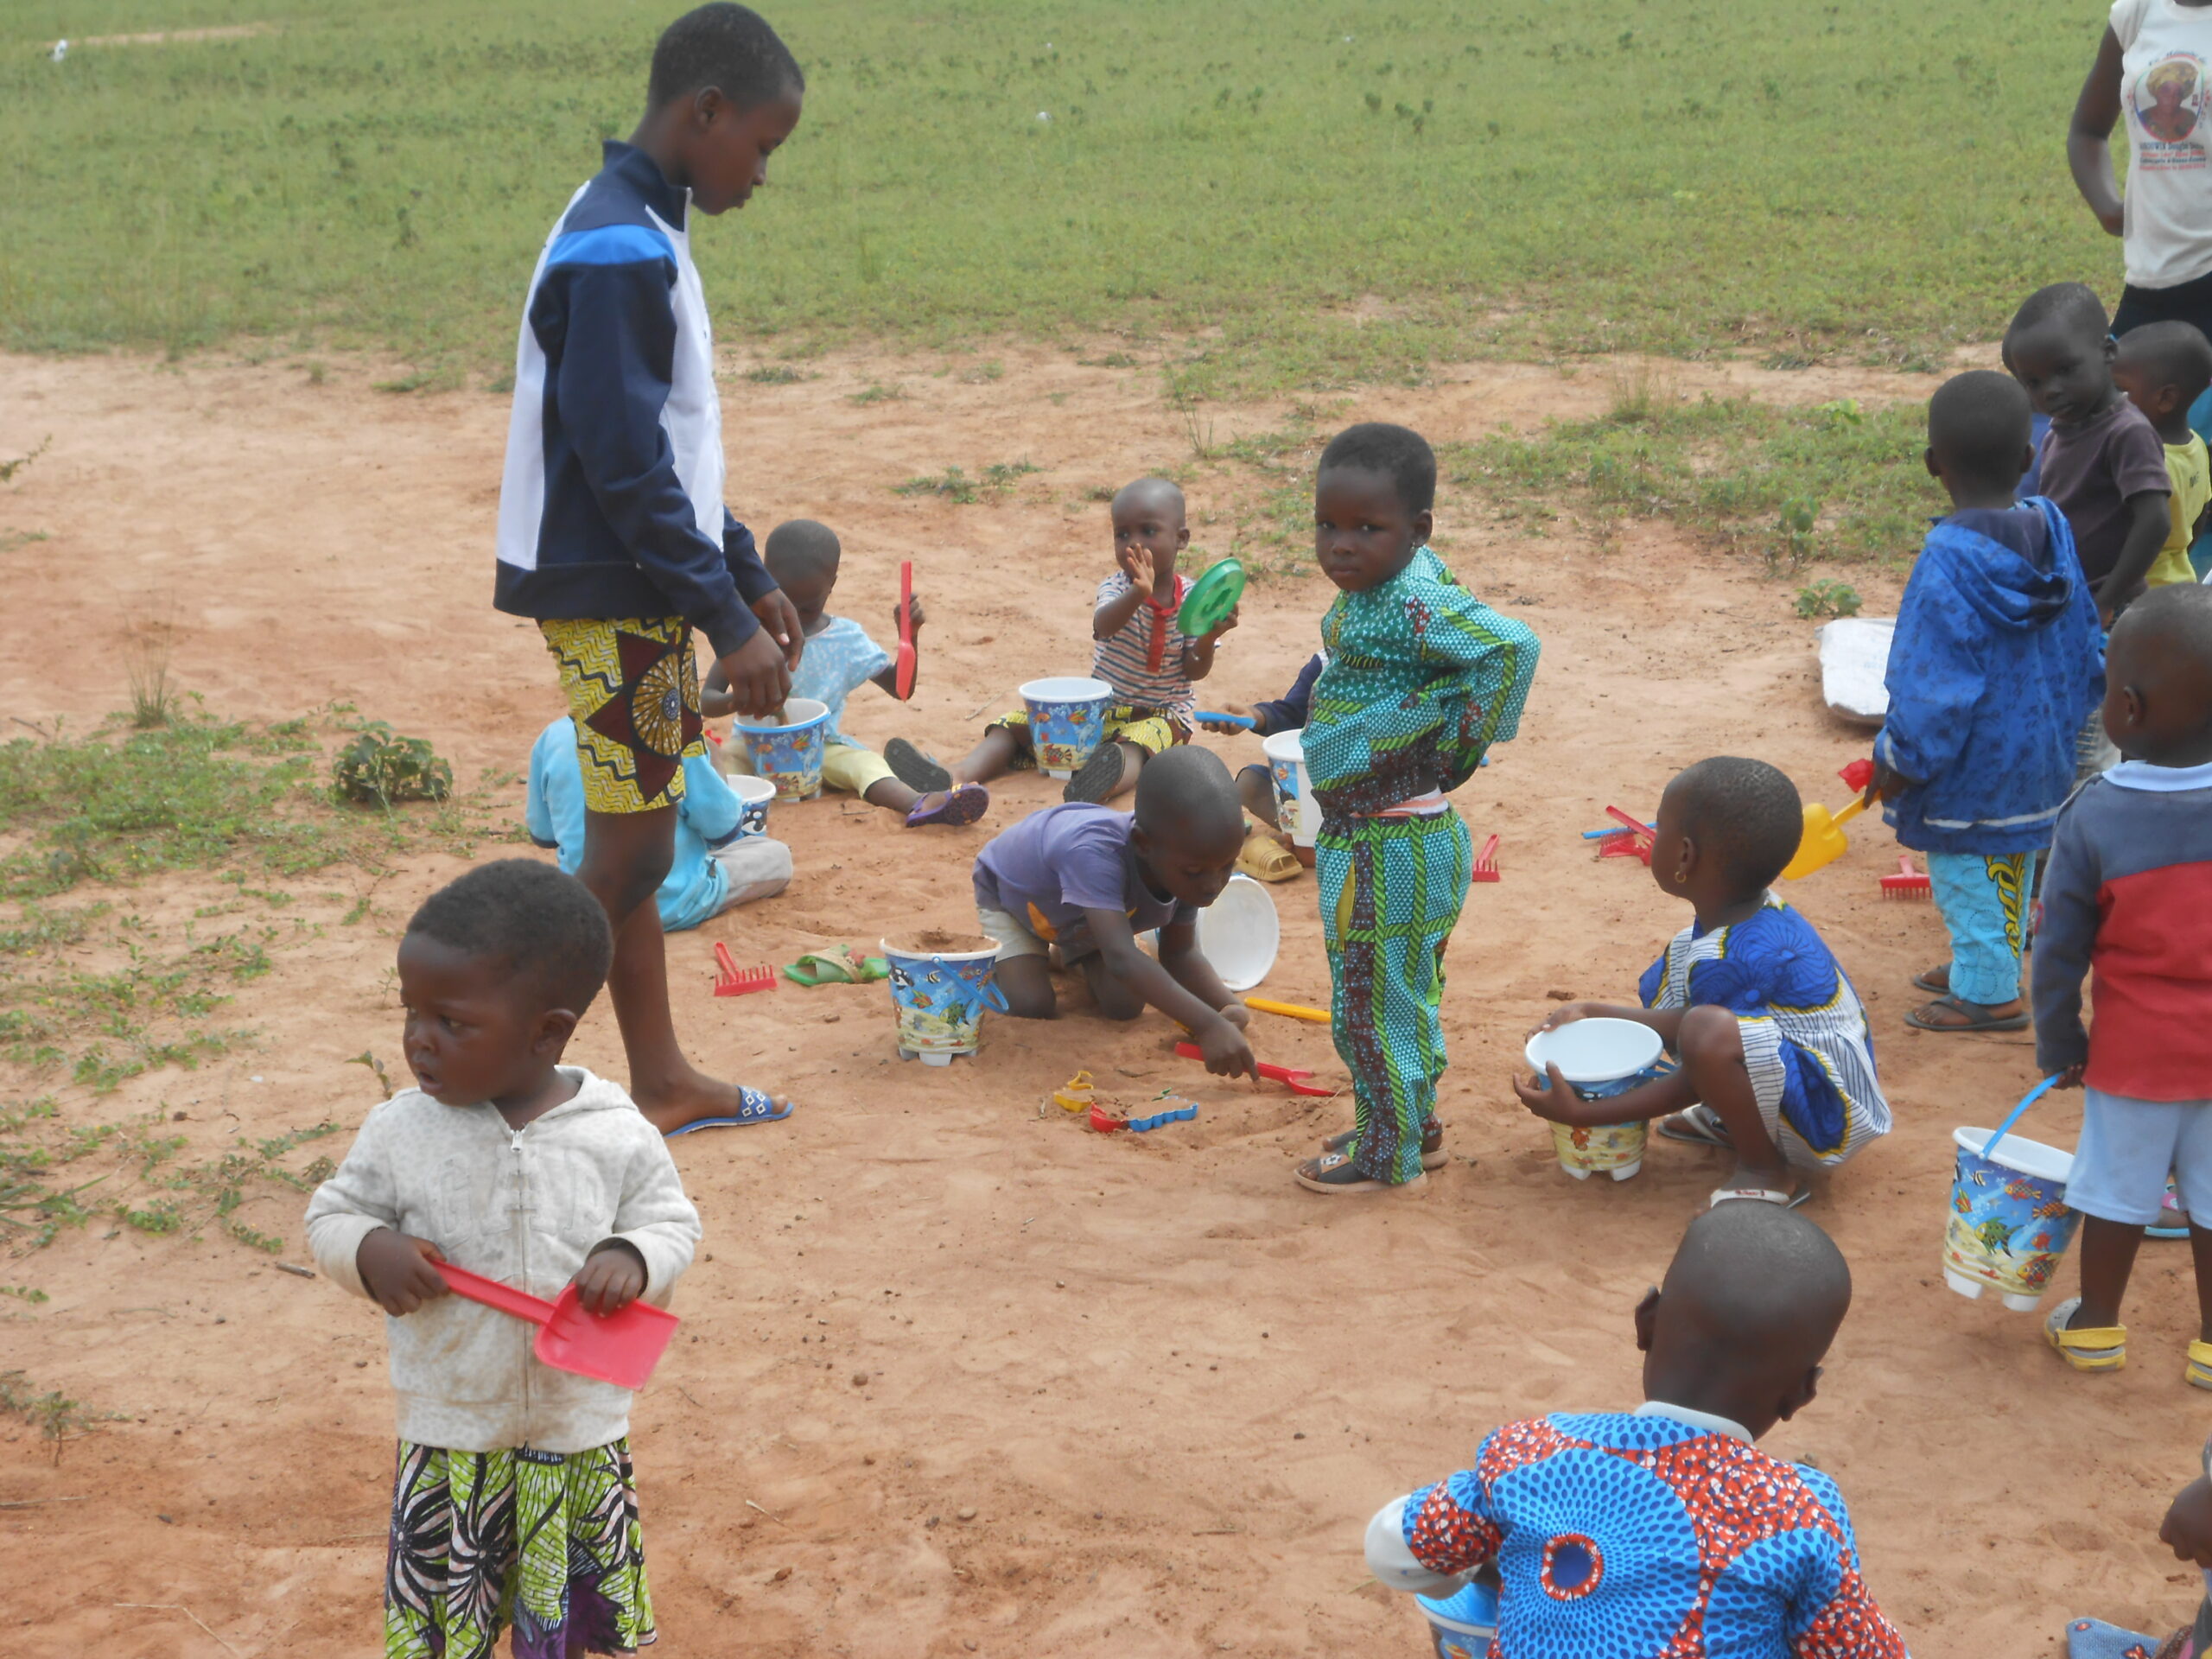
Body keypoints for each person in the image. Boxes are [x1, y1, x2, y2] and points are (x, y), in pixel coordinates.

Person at [493, 3, 804, 1133]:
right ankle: (495, 1079)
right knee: (624, 859)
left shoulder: (639, 226)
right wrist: (728, 618)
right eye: (762, 146)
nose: (764, 175)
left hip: (639, 583)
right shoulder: (619, 246)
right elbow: (623, 467)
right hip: (611, 588)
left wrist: (743, 562)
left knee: (644, 841)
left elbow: (664, 448)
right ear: (705, 111)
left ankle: (661, 1078)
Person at [304, 861, 706, 1658]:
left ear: (547, 1032)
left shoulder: (613, 1127)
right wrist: (366, 1248)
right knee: (451, 1621)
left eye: (452, 1022)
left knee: (562, 1618)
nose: (420, 1038)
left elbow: (670, 1219)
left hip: (575, 1427)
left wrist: (633, 1254)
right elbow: (332, 1214)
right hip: (452, 1428)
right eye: (411, 1012)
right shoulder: (399, 1130)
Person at [1363, 1201, 1910, 1658]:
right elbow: (1861, 1649)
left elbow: (1392, 1550)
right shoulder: (1804, 1513)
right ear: (1800, 1394)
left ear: (1646, 1322)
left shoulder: (1534, 1454)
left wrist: (1472, 1571)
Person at [1293, 423, 1540, 1195]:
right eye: (1329, 525)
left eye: (1369, 529)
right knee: (1408, 995)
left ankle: (1387, 1155)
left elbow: (1513, 648)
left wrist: (1457, 741)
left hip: (1384, 843)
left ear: (1417, 531)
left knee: (1368, 1007)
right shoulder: (1404, 581)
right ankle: (1412, 1125)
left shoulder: (1412, 601)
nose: (1342, 545)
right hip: (1409, 841)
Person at [1517, 757, 1891, 1207]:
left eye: (1659, 829)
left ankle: (1766, 1169)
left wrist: (1586, 1113)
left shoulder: (1738, 956)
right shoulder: (1746, 914)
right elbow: (1708, 1025)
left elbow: (1699, 1061)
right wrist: (1596, 1012)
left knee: (1706, 1032)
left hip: (1827, 1115)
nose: (1653, 838)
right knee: (1692, 990)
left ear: (1685, 856)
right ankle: (1736, 1119)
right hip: (1800, 1069)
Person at [1863, 372, 2103, 1033]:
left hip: (1974, 765)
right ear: (2029, 457)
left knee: (1965, 868)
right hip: (2045, 747)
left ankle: (1989, 991)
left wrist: (1901, 757)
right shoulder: (2051, 529)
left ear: (1934, 465)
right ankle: (1986, 964)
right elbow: (2086, 633)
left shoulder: (1946, 560)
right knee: (2012, 858)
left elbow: (1931, 684)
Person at [2032, 583, 2212, 1383]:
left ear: (2128, 709)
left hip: (2134, 1058)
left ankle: (2098, 1328)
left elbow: (2058, 950)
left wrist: (2061, 1040)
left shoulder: (2094, 816)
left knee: (2113, 1190)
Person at [884, 478, 1236, 804]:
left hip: (1163, 715)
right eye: (1122, 535)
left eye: (1148, 531)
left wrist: (1209, 636)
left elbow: (1194, 670)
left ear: (1182, 538)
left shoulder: (1193, 599)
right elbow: (1105, 625)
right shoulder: (1116, 588)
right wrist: (1138, 594)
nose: (1134, 544)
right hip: (1102, 710)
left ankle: (1096, 787)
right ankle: (955, 774)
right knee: (1016, 725)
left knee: (1135, 748)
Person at [971, 746, 1257, 1077]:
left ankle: (1071, 952)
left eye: (1227, 867)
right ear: (1142, 844)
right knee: (1029, 1003)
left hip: (1082, 918)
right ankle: (995, 962)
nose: (1213, 884)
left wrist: (1229, 1008)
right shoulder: (1094, 854)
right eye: (1196, 872)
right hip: (1014, 899)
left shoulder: (1189, 860)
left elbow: (1180, 954)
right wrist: (1208, 1027)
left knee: (1124, 1005)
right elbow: (1122, 959)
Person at [703, 519, 988, 826]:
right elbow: (708, 699)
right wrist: (740, 700)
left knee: (866, 764)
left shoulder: (846, 640)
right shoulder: (750, 635)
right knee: (715, 761)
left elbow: (901, 690)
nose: (794, 621)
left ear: (832, 585)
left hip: (819, 751)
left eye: (808, 609)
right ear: (764, 581)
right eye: (784, 606)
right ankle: (715, 819)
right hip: (751, 748)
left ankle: (919, 803)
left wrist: (910, 637)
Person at [527, 715, 792, 929]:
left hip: (588, 905)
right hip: (674, 903)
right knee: (776, 854)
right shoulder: (675, 732)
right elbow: (722, 828)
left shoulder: (552, 737)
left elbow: (544, 834)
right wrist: (713, 760)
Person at [2069, 0, 2212, 343]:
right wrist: (2109, 210)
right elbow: (2087, 131)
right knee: (2117, 390)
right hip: (2150, 280)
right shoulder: (2138, 14)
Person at [2114, 321, 2212, 586]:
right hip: (2180, 580)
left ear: (2165, 398)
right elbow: (2201, 515)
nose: (2112, 400)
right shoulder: (2198, 446)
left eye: (2121, 390)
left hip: (2137, 591)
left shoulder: (2147, 459)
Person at [1198, 652, 1324, 828]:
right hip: (1321, 790)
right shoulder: (1325, 663)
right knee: (1251, 783)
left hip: (1368, 795)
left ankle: (1315, 838)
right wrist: (1252, 716)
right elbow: (1291, 714)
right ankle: (1308, 834)